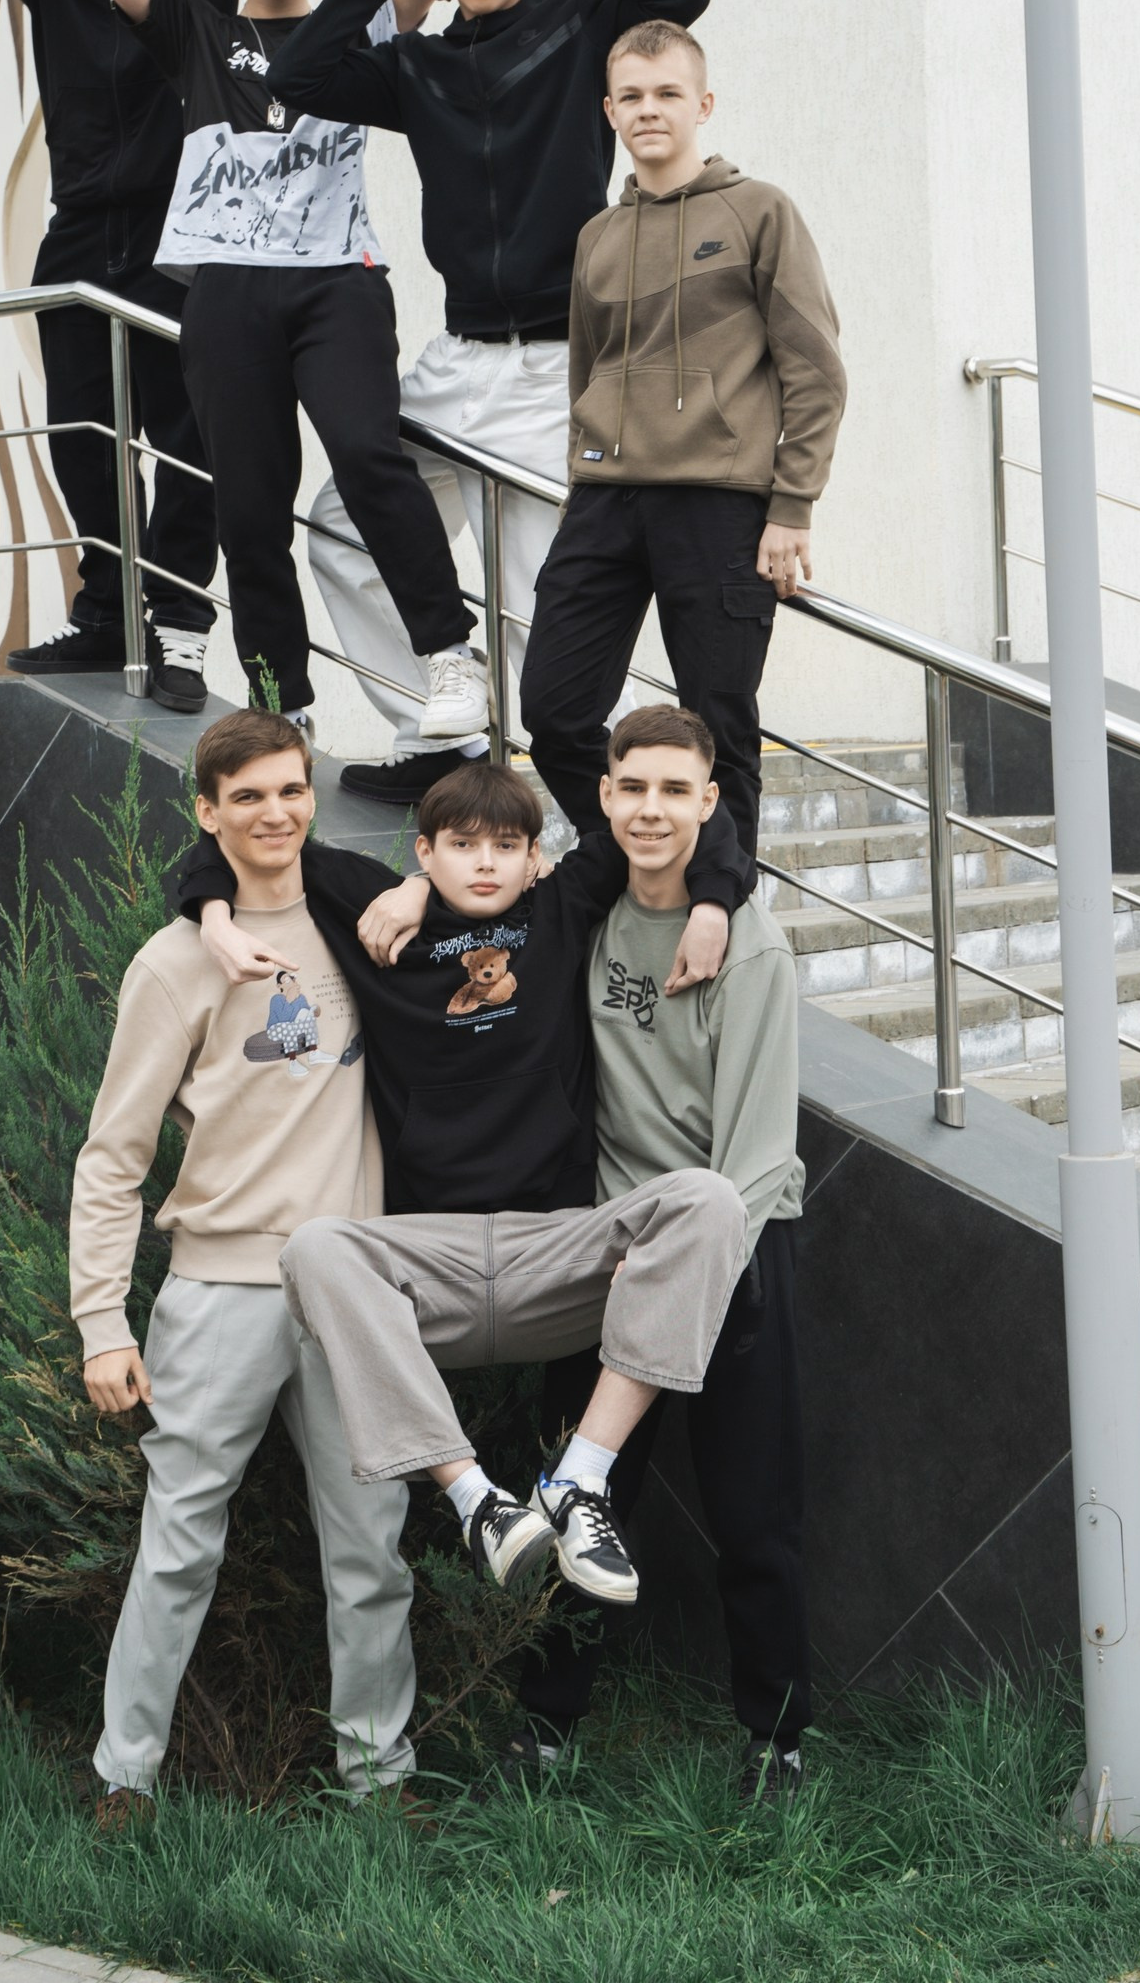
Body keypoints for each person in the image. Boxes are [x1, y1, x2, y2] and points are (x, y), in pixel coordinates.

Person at [173, 759, 749, 1605]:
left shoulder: (560, 906)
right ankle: (477, 1502)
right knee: (317, 1250)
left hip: (554, 1253)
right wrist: (217, 919)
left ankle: (579, 1481)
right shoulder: (375, 911)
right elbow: (245, 837)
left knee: (708, 1200)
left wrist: (711, 903)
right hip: (427, 1265)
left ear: (535, 860)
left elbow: (692, 815)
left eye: (506, 846)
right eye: (462, 845)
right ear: (424, 851)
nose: (484, 863)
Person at [261, 0, 716, 824]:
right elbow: (295, 75)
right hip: (455, 356)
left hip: (552, 364)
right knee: (343, 525)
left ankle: (580, 817)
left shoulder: (579, 29)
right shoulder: (415, 67)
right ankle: (445, 734)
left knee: (535, 600)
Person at [69, 708, 416, 1825]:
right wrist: (102, 1323)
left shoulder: (359, 916)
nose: (276, 812)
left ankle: (380, 1782)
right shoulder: (176, 962)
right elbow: (113, 1156)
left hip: (355, 1288)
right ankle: (124, 1779)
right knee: (178, 1547)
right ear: (207, 813)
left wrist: (420, 887)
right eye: (249, 796)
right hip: (222, 1289)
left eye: (292, 789)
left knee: (372, 1552)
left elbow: (496, 872)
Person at [0, 0, 319, 708]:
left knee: (188, 440)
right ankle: (107, 614)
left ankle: (177, 628)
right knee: (84, 433)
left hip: (180, 219)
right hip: (79, 225)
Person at [78, 0, 486, 744]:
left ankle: (449, 654)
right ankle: (282, 703)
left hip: (338, 280)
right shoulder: (197, 28)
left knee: (370, 458)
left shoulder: (361, 21)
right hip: (226, 289)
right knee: (249, 508)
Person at [501, 704, 812, 1808]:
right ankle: (545, 1730)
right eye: (633, 787)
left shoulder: (750, 946)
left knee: (752, 1514)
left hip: (735, 1252)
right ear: (604, 795)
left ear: (710, 802)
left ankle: (775, 1745)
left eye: (676, 790)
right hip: (609, 1248)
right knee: (578, 1498)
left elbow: (757, 1157)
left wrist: (693, 1275)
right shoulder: (586, 912)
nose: (650, 809)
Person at [519, 20, 847, 891]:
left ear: (702, 105)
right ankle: (644, 866)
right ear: (609, 112)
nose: (648, 110)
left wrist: (791, 506)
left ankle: (718, 907)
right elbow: (587, 374)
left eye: (667, 93)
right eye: (631, 96)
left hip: (719, 504)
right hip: (605, 502)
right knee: (552, 712)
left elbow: (815, 371)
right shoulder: (597, 235)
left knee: (719, 726)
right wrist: (582, 479)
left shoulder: (759, 211)